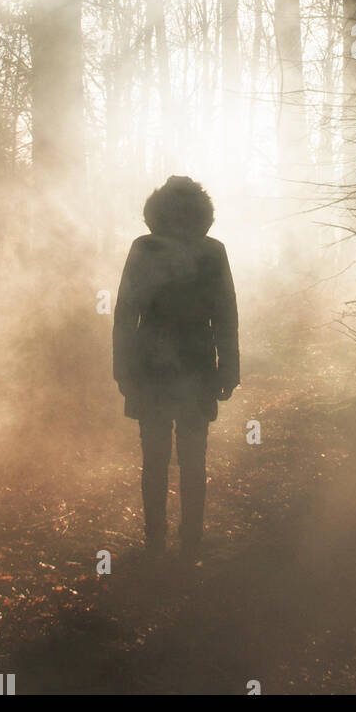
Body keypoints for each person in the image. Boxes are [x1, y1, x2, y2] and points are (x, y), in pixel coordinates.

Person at [112, 176, 239, 565]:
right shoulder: (212, 251)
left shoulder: (143, 248)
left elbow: (124, 315)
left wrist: (123, 371)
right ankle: (189, 545)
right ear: (202, 211)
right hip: (197, 364)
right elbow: (225, 315)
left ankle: (156, 544)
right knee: (192, 459)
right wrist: (228, 369)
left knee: (155, 459)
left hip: (151, 368)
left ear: (156, 211)